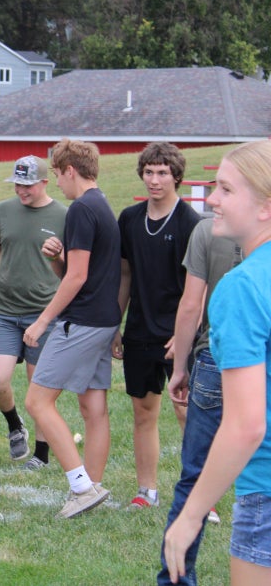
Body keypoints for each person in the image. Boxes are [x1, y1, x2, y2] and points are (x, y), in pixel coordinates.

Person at [164, 140, 271, 586]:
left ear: (265, 206)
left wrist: (190, 517)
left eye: (226, 189)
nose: (212, 200)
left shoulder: (242, 287)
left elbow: (247, 425)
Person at [24, 138, 121, 518]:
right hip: (104, 319)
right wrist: (58, 257)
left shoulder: (81, 209)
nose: (57, 185)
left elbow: (77, 278)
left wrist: (42, 320)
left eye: (57, 175)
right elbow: (82, 269)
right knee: (93, 406)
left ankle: (80, 486)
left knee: (37, 401)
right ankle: (92, 487)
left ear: (70, 171)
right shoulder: (102, 204)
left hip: (81, 321)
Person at [0, 156, 67, 468]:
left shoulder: (64, 215)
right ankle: (13, 425)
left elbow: (74, 267)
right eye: (18, 184)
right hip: (4, 310)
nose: (22, 190)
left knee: (40, 390)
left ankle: (41, 454)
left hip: (43, 313)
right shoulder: (3, 211)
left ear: (45, 183)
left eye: (28, 185)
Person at [114, 142, 201, 509]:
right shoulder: (129, 219)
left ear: (176, 176)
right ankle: (146, 490)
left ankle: (200, 497)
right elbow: (124, 274)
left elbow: (199, 290)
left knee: (188, 413)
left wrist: (182, 338)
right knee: (143, 412)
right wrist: (113, 325)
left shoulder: (191, 223)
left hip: (180, 335)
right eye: (149, 171)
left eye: (162, 172)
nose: (155, 179)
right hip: (139, 333)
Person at [157, 217, 242, 585]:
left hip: (215, 359)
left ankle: (175, 578)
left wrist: (179, 367)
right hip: (253, 361)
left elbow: (191, 305)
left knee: (194, 476)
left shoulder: (208, 230)